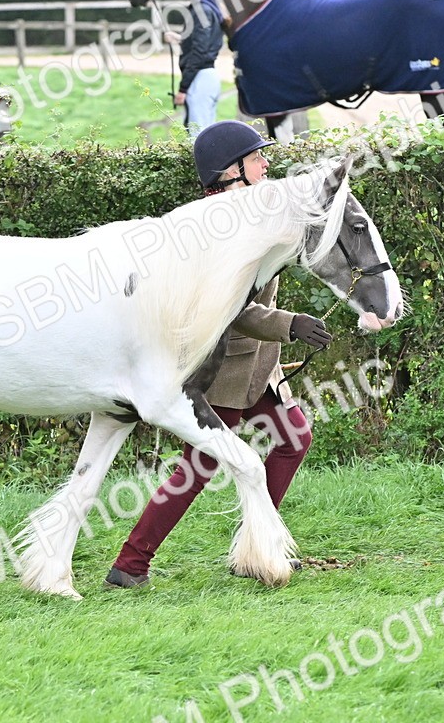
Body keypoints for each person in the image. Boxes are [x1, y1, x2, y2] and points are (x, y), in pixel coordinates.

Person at [105, 119, 332, 589]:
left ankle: (258, 546)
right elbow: (235, 309)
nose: (266, 164)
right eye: (256, 158)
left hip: (259, 368)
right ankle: (130, 564)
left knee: (294, 437)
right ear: (231, 171)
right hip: (225, 368)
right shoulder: (214, 227)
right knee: (200, 465)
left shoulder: (248, 213)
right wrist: (291, 324)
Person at [168, 0, 225, 137]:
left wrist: (183, 88)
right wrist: (180, 38)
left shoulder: (202, 9)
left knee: (198, 138)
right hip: (208, 77)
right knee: (206, 136)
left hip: (201, 79)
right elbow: (202, 42)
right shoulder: (208, 7)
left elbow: (200, 52)